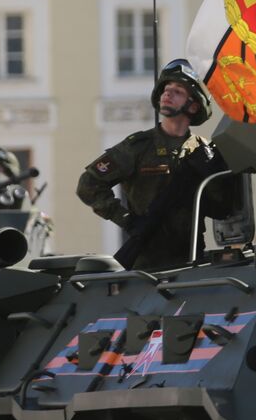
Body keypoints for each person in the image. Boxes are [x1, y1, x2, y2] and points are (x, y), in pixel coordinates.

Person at [76, 59, 227, 270]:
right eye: (166, 89)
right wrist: (128, 221)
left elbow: (224, 207)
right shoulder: (139, 147)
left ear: (193, 105)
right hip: (146, 261)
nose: (167, 94)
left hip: (191, 259)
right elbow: (88, 185)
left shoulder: (205, 151)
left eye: (177, 91)